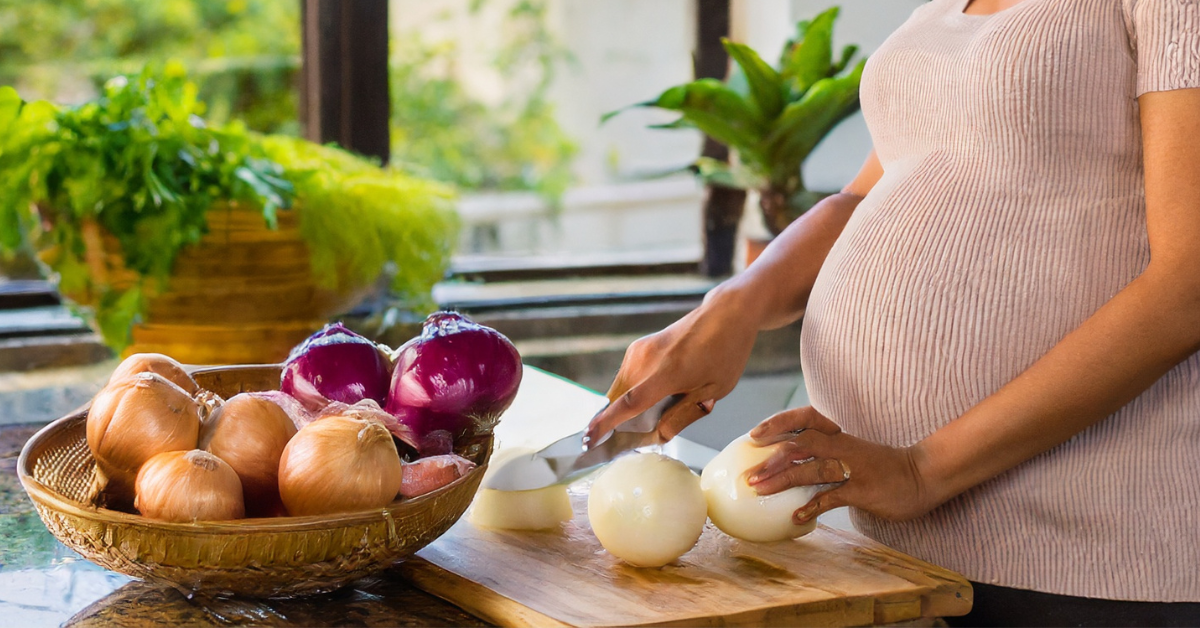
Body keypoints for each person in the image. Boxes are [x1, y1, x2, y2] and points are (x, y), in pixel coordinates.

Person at [587, 0, 1200, 624]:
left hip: (1083, 558)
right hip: (886, 546)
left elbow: (1190, 284)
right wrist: (732, 307)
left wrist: (923, 470)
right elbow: (866, 196)